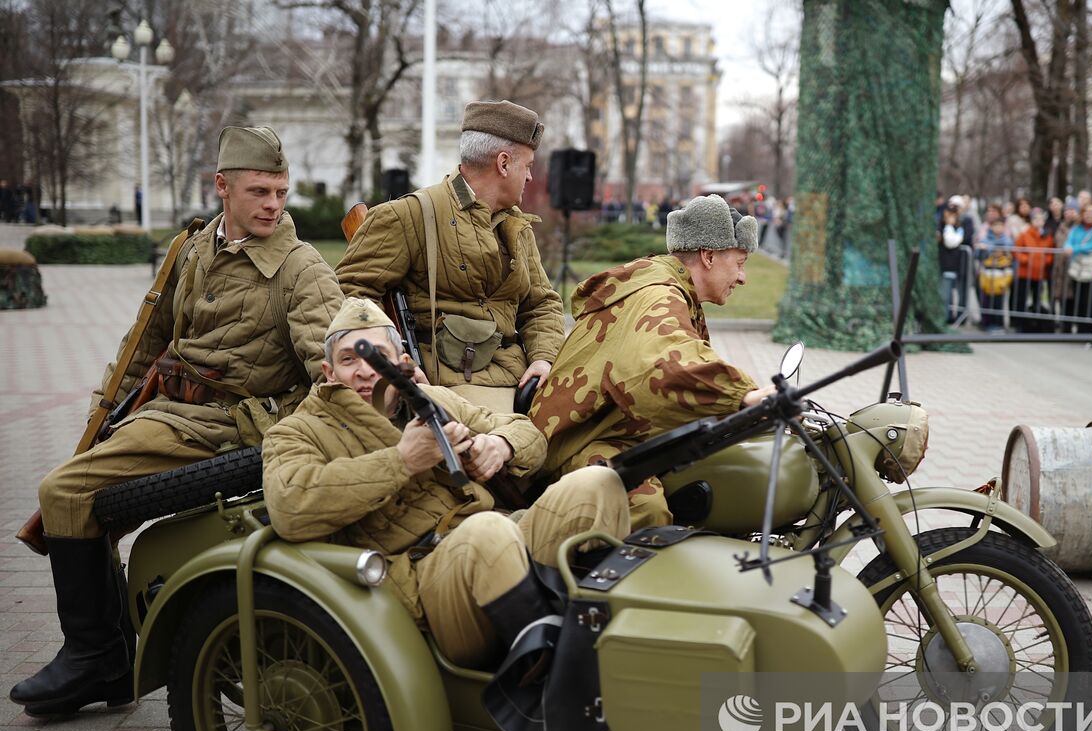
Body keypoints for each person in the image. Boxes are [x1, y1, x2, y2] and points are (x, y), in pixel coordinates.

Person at [13, 126, 345, 717]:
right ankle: (107, 658)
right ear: (222, 187)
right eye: (260, 191)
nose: (274, 204)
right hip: (166, 409)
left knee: (63, 490)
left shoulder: (302, 268)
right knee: (80, 488)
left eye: (281, 192)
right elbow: (147, 341)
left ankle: (95, 658)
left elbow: (332, 362)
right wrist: (101, 412)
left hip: (230, 423)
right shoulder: (192, 247)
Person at [261, 299, 629, 667]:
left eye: (377, 356)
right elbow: (290, 506)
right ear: (328, 371)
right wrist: (401, 461)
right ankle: (545, 674)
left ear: (403, 362)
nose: (364, 371)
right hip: (416, 586)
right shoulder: (295, 432)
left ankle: (606, 639)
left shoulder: (433, 399)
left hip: (489, 546)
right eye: (349, 359)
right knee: (488, 531)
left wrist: (498, 447)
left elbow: (526, 432)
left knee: (598, 484)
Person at [530, 195, 772, 529]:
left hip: (606, 434)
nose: (742, 277)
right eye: (740, 263)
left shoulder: (668, 287)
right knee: (646, 512)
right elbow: (666, 361)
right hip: (574, 448)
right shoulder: (660, 294)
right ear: (709, 256)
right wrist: (744, 395)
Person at [337, 100, 564, 415]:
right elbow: (353, 295)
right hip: (447, 384)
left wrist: (543, 358)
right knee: (525, 443)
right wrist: (393, 361)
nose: (529, 177)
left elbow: (542, 304)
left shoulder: (515, 225)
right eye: (527, 166)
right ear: (503, 163)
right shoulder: (409, 215)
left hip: (519, 375)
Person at [1063, 201, 1092, 336]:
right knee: (1080, 300)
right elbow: (1069, 241)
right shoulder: (1077, 228)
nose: (1089, 215)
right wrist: (1068, 247)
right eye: (1086, 212)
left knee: (1091, 301)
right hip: (1078, 269)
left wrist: (1074, 249)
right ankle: (1082, 330)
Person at [1012, 207, 1056, 332]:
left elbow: (1050, 252)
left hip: (1039, 274)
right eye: (1036, 219)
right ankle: (1019, 324)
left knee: (1038, 299)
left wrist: (1045, 261)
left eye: (1041, 219)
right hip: (1025, 273)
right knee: (1021, 299)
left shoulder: (1047, 236)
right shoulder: (1025, 234)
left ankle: (1036, 324)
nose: (1038, 221)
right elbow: (1017, 250)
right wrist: (1026, 259)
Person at [977, 217, 1015, 331]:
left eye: (1000, 225)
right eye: (995, 225)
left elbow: (1008, 273)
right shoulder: (985, 241)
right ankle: (985, 323)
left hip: (999, 286)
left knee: (998, 306)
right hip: (988, 285)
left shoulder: (1007, 242)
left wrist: (1003, 285)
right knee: (986, 305)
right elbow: (982, 270)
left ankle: (999, 324)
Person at [938, 201, 971, 322]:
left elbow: (957, 240)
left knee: (959, 292)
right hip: (946, 265)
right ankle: (946, 316)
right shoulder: (943, 227)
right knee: (946, 295)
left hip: (958, 264)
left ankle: (958, 317)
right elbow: (949, 242)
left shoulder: (961, 226)